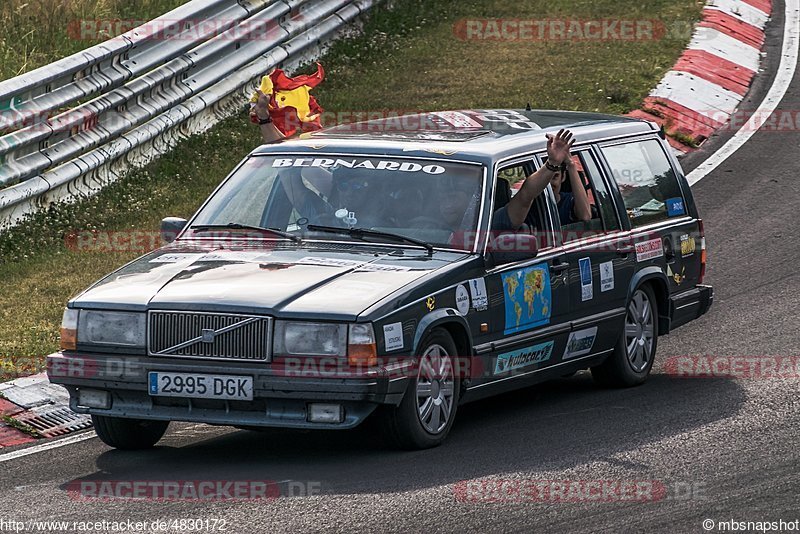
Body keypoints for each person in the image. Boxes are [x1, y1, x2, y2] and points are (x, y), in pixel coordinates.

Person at [492, 129, 588, 232]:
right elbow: (525, 195)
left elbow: (585, 215)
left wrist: (571, 165)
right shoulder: (523, 206)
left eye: (555, 177)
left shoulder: (568, 201)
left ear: (563, 177)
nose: (548, 183)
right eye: (545, 177)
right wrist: (552, 165)